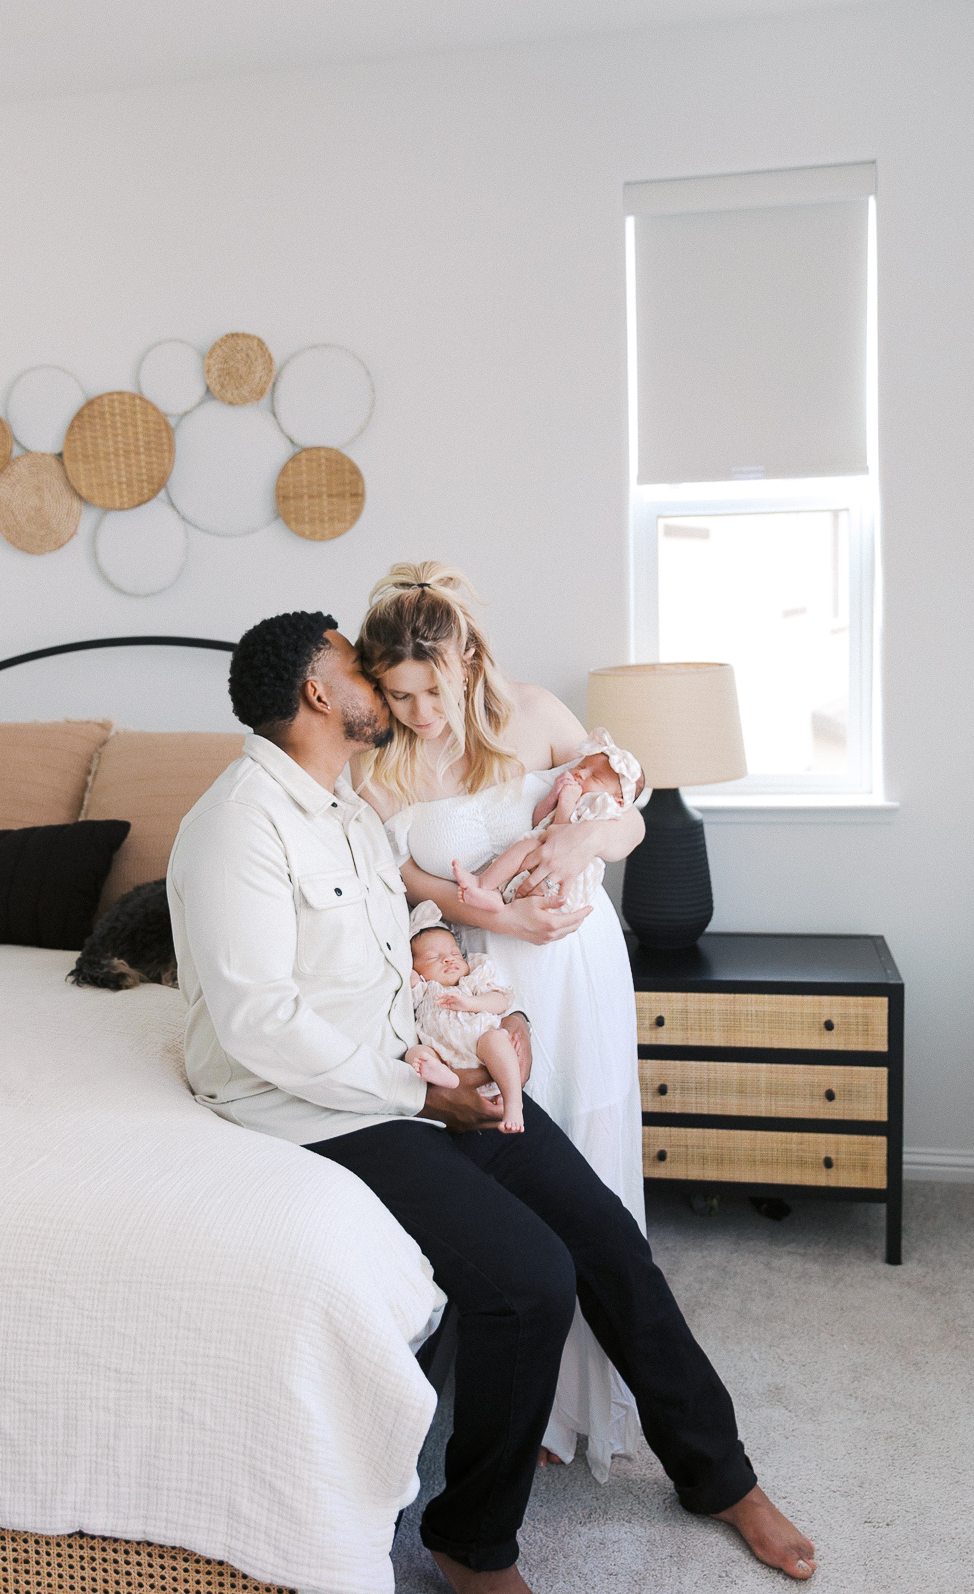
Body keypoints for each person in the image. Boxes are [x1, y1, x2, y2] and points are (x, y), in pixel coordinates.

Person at [167, 609, 817, 1592]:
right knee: (528, 1277)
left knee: (605, 1237)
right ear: (317, 693)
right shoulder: (233, 827)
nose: (383, 690)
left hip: (416, 1065)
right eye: (358, 668)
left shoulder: (340, 804)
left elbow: (401, 920)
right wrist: (425, 1091)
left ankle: (720, 1476)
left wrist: (470, 1005)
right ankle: (469, 1541)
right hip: (325, 1105)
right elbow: (260, 1024)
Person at [355, 562, 648, 1476]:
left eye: (431, 690)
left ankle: (589, 1401)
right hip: (479, 975)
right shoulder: (381, 761)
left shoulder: (536, 710)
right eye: (398, 695)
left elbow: (625, 813)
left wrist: (575, 839)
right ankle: (523, 1397)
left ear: (470, 660)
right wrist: (497, 917)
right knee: (518, 1159)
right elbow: (403, 880)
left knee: (591, 1153)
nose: (418, 713)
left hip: (579, 962)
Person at [453, 727, 643, 916]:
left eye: (594, 776)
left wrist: (566, 802)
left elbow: (563, 836)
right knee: (526, 847)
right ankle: (491, 894)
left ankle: (483, 885)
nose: (581, 774)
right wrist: (554, 795)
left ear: (618, 801)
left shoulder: (600, 807)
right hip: (544, 854)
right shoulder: (574, 792)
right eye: (581, 766)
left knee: (527, 846)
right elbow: (539, 822)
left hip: (564, 880)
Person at [407, 904, 524, 1132]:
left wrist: (471, 1003)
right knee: (417, 1054)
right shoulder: (423, 989)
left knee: (495, 1039)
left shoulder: (472, 980)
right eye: (434, 958)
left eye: (454, 954)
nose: (449, 960)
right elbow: (404, 976)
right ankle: (444, 1076)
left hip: (481, 1049)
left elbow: (501, 1001)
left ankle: (514, 1103)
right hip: (443, 1057)